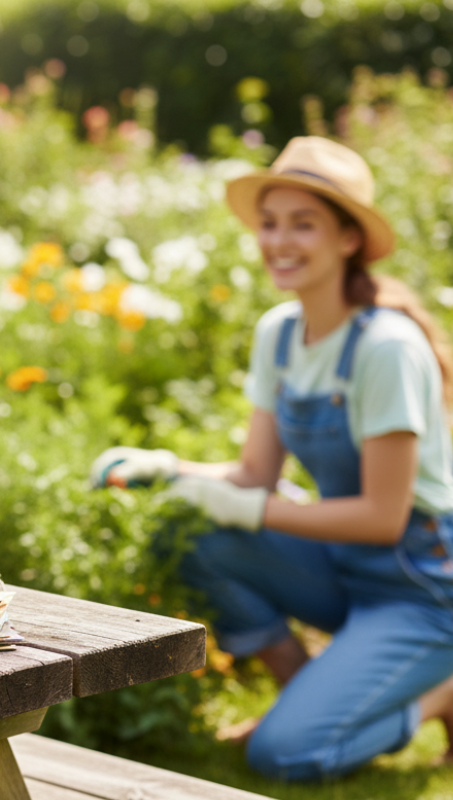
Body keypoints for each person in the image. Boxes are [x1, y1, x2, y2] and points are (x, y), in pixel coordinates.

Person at [90, 136, 453, 781]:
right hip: (342, 568)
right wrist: (169, 467)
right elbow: (253, 475)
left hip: (420, 583)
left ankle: (440, 693)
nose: (279, 241)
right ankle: (309, 690)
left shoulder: (386, 349)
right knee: (189, 532)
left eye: (303, 224)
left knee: (282, 754)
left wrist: (256, 508)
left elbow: (383, 518)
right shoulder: (280, 333)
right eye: (270, 223)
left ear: (348, 240)